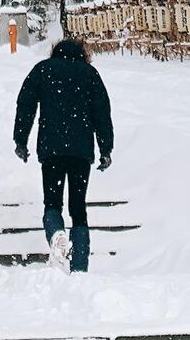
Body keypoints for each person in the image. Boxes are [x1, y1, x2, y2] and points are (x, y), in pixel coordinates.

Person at [13, 37, 113, 273]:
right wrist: (106, 148)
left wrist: (21, 140)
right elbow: (102, 112)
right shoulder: (89, 74)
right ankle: (79, 266)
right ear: (82, 54)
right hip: (80, 150)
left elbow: (25, 105)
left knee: (52, 201)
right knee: (78, 208)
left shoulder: (43, 70)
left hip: (52, 148)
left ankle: (56, 234)